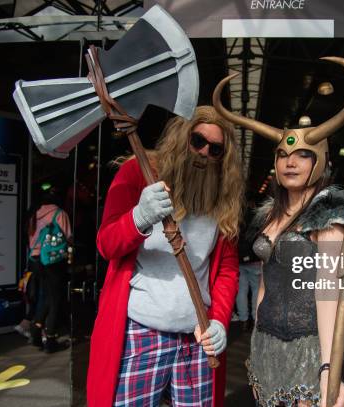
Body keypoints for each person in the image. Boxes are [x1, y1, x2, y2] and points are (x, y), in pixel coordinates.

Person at [213, 56, 344, 407]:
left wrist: (329, 365)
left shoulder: (327, 218)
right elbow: (266, 281)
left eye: (302, 155)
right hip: (265, 342)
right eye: (282, 155)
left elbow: (331, 296)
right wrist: (254, 342)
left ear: (320, 161)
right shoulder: (272, 215)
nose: (289, 162)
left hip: (309, 346)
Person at [86, 106, 243, 407]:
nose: (204, 153)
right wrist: (138, 217)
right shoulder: (138, 172)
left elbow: (226, 268)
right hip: (142, 334)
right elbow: (106, 244)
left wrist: (220, 321)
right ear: (182, 137)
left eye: (216, 149)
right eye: (197, 141)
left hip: (197, 338)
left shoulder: (224, 197)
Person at [26, 186, 72, 353]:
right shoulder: (59, 213)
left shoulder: (33, 214)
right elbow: (68, 236)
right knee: (55, 299)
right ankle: (50, 339)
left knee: (46, 295)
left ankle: (36, 330)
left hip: (36, 260)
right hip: (53, 261)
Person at [237, 203, 262, 331]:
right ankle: (255, 319)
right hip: (254, 259)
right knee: (257, 290)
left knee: (241, 290)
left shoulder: (237, 218)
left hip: (240, 259)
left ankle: (243, 320)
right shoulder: (257, 218)